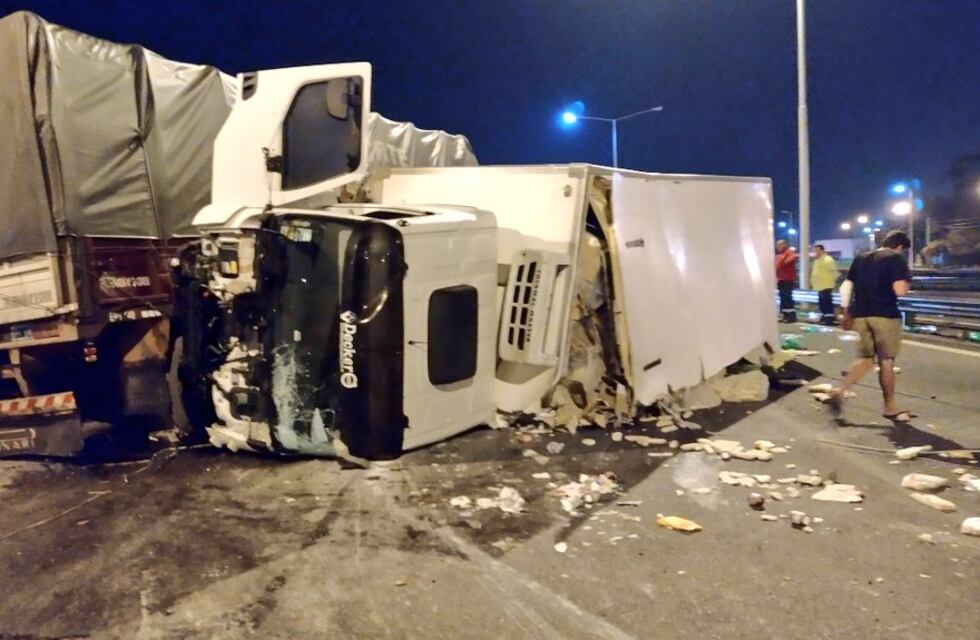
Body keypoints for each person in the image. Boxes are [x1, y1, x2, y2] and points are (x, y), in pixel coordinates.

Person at [831, 230, 912, 421]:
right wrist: (907, 283)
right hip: (885, 315)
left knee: (866, 358)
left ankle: (840, 390)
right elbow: (899, 291)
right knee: (886, 361)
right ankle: (890, 406)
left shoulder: (861, 258)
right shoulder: (896, 259)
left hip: (860, 315)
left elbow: (846, 286)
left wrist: (845, 312)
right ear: (900, 246)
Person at [810, 244, 839, 325]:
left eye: (818, 250)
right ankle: (824, 317)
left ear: (823, 251)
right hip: (819, 285)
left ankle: (829, 319)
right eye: (815, 251)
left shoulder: (828, 260)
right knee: (822, 302)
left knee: (827, 302)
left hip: (826, 285)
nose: (816, 252)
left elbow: (834, 273)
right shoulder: (817, 260)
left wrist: (831, 281)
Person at [775, 239, 798, 323]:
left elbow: (788, 261)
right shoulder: (780, 255)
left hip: (788, 278)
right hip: (781, 278)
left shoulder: (789, 253)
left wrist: (780, 261)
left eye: (779, 245)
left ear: (784, 245)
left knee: (787, 297)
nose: (777, 247)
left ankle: (791, 316)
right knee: (783, 297)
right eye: (777, 245)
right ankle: (784, 314)